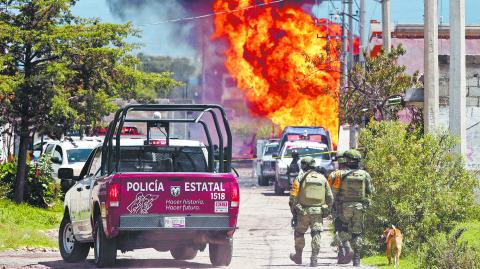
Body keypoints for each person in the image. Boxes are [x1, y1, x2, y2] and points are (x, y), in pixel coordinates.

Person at [330, 149, 375, 266]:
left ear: (347, 160)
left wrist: (332, 206)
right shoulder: (365, 175)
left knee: (341, 228)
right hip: (359, 208)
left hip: (344, 207)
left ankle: (347, 248)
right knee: (357, 233)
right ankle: (356, 259)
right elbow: (371, 191)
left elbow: (333, 193)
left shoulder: (340, 174)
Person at [289, 157, 333, 267]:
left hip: (303, 211)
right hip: (318, 212)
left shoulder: (299, 178)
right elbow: (330, 197)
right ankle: (314, 259)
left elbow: (293, 197)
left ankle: (298, 256)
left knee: (299, 233)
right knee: (316, 234)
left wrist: (294, 210)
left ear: (303, 166)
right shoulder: (322, 178)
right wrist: (327, 210)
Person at [327, 151, 350, 262]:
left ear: (339, 163)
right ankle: (355, 256)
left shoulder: (333, 175)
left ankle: (342, 254)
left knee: (339, 229)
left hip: (338, 208)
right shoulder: (357, 173)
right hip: (356, 207)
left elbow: (328, 192)